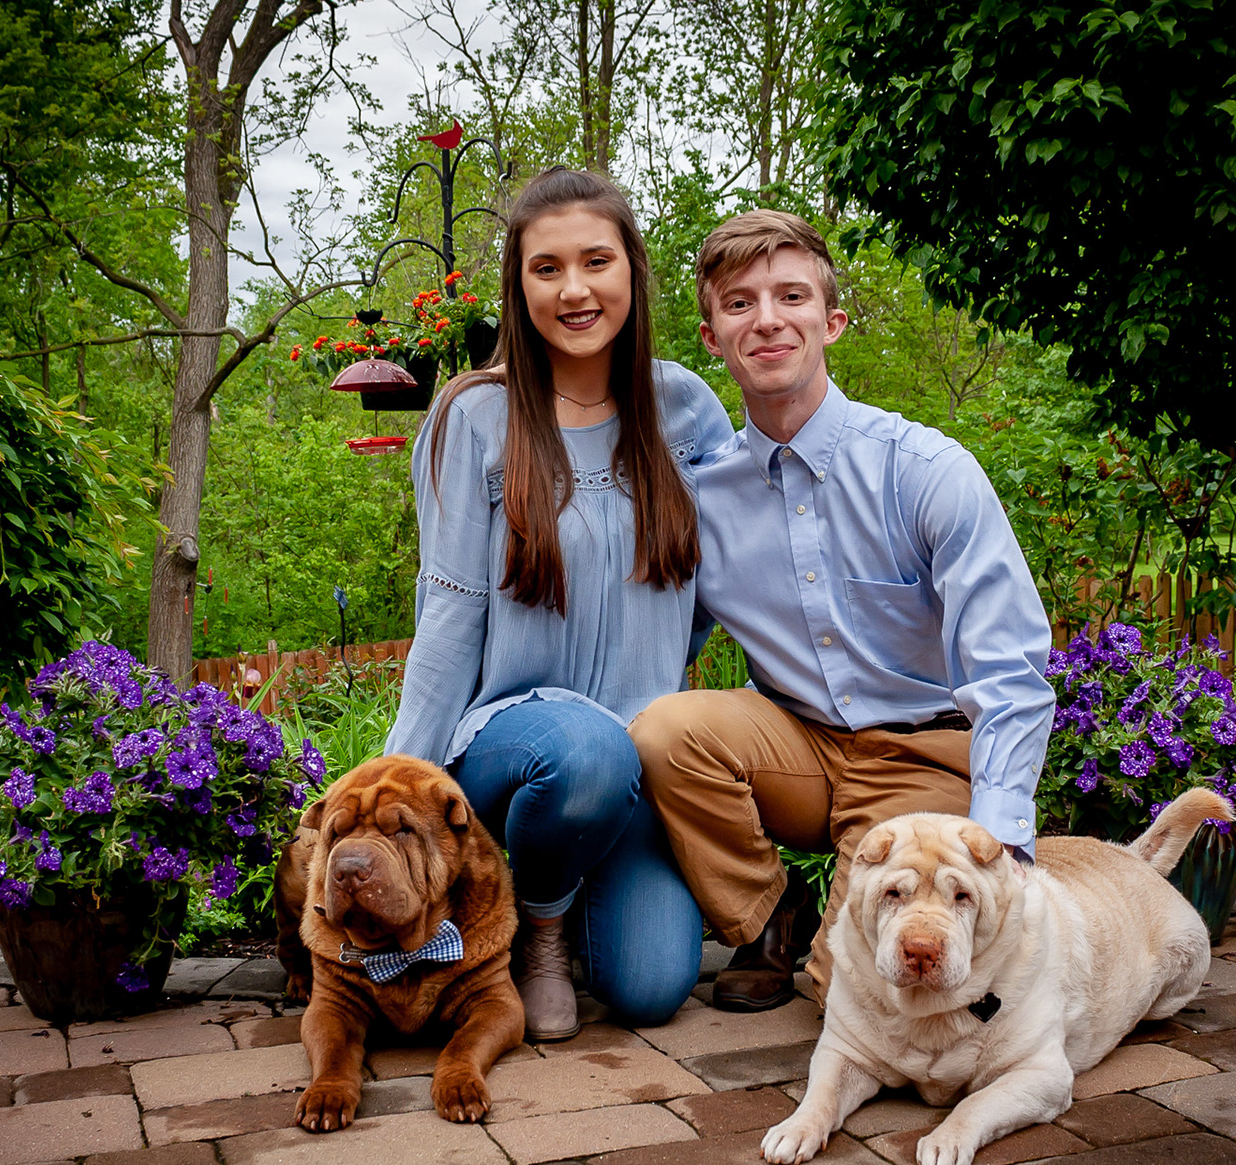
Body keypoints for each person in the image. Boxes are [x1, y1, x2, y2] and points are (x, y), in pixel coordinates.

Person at [629, 210, 1056, 1013]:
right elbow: (656, 643)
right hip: (798, 746)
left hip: (923, 754)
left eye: (791, 296)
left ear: (831, 322)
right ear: (713, 337)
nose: (767, 319)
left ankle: (826, 947)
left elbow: (1011, 671)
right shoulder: (703, 497)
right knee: (663, 729)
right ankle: (768, 912)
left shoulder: (924, 471)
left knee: (857, 996)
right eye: (740, 303)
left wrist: (1003, 840)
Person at [383, 168, 735, 1040]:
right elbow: (450, 615)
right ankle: (539, 928)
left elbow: (720, 588)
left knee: (651, 986)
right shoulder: (474, 415)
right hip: (513, 742)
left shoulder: (685, 410)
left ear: (632, 271)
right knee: (584, 750)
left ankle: (570, 882)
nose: (574, 289)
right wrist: (395, 795)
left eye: (595, 262)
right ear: (520, 284)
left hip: (639, 757)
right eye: (547, 268)